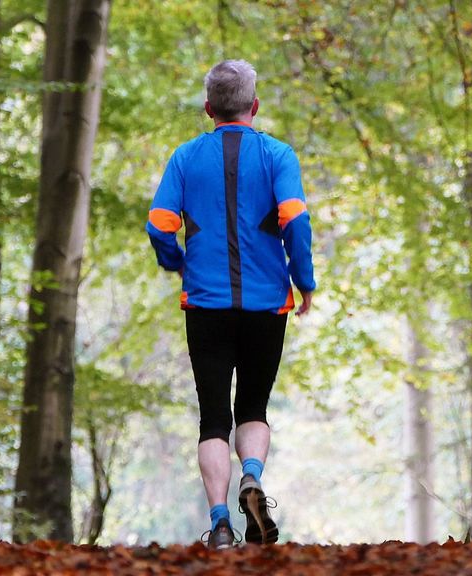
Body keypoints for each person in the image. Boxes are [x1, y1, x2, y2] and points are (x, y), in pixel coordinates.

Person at [145, 59, 316, 550]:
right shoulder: (279, 154)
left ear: (208, 109)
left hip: (205, 303)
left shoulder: (184, 157)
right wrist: (304, 282)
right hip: (267, 305)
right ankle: (253, 478)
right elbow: (295, 222)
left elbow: (159, 223)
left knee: (214, 418)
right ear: (254, 106)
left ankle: (220, 523)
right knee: (254, 408)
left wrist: (176, 261)